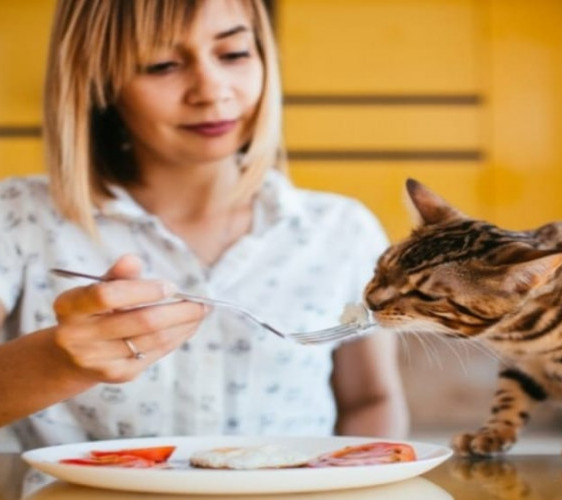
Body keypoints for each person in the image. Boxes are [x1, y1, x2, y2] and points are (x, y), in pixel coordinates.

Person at [0, 0, 408, 450]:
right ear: (99, 81)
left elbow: (371, 398)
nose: (212, 91)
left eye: (233, 54)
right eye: (162, 65)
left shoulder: (341, 229)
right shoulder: (17, 215)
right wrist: (61, 363)